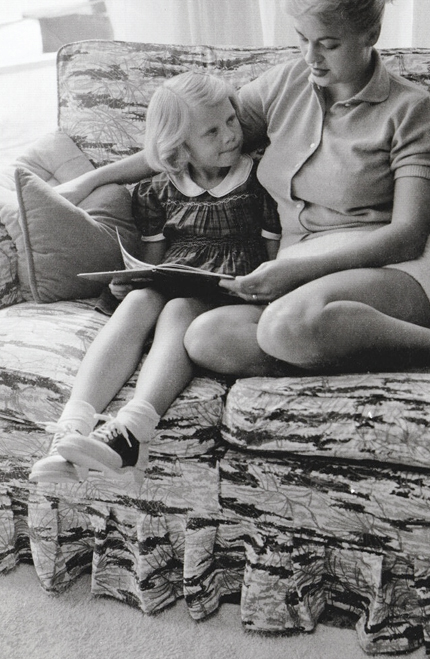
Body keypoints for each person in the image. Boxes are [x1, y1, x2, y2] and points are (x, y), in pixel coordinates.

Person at [58, 0, 430, 381]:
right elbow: (191, 138)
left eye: (329, 43)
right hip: (299, 284)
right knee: (207, 337)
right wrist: (95, 177)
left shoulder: (412, 109)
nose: (311, 57)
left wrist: (294, 270)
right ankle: (419, 368)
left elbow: (407, 235)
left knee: (286, 327)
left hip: (390, 272)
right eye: (302, 39)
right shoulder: (285, 85)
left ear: (371, 34)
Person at [30, 72, 281, 484]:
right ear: (179, 145)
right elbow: (153, 262)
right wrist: (129, 280)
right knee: (138, 301)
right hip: (173, 285)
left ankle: (132, 432)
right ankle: (71, 431)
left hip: (228, 296)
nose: (230, 136)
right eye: (212, 131)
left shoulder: (259, 182)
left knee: (180, 307)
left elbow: (274, 260)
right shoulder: (158, 190)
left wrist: (264, 289)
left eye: (232, 121)